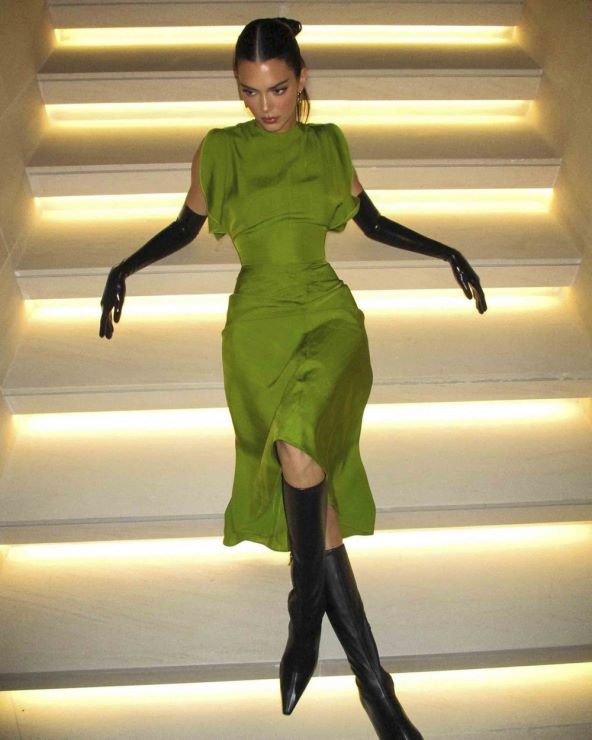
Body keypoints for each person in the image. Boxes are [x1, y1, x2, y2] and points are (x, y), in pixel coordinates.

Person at [99, 17, 486, 739]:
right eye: (249, 92)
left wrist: (447, 251)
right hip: (257, 326)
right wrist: (124, 266)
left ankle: (306, 617)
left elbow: (372, 222)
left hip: (327, 310)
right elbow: (186, 226)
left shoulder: (329, 143)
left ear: (302, 79)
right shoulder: (220, 150)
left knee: (302, 444)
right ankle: (375, 688)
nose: (264, 106)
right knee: (306, 474)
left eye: (277, 89)